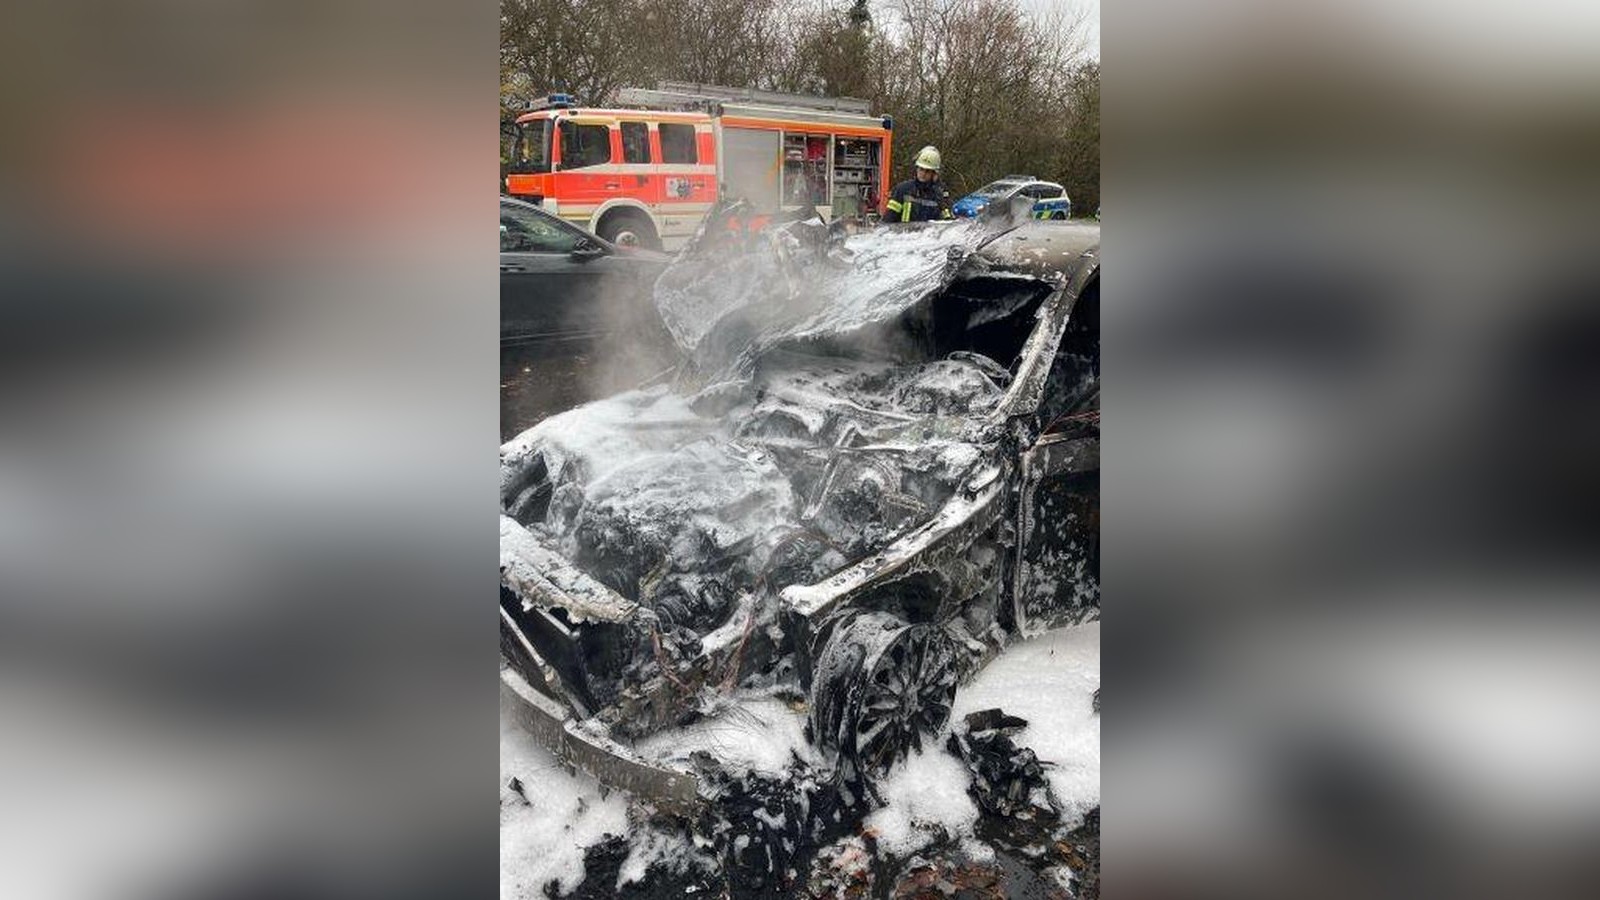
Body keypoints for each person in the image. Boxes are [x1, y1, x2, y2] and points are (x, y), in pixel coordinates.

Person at [883, 146, 953, 223]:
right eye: (921, 169)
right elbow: (888, 219)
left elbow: (947, 223)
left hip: (927, 235)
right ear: (916, 168)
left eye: (927, 171)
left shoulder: (938, 196)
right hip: (903, 234)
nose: (923, 174)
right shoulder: (902, 190)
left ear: (934, 173)